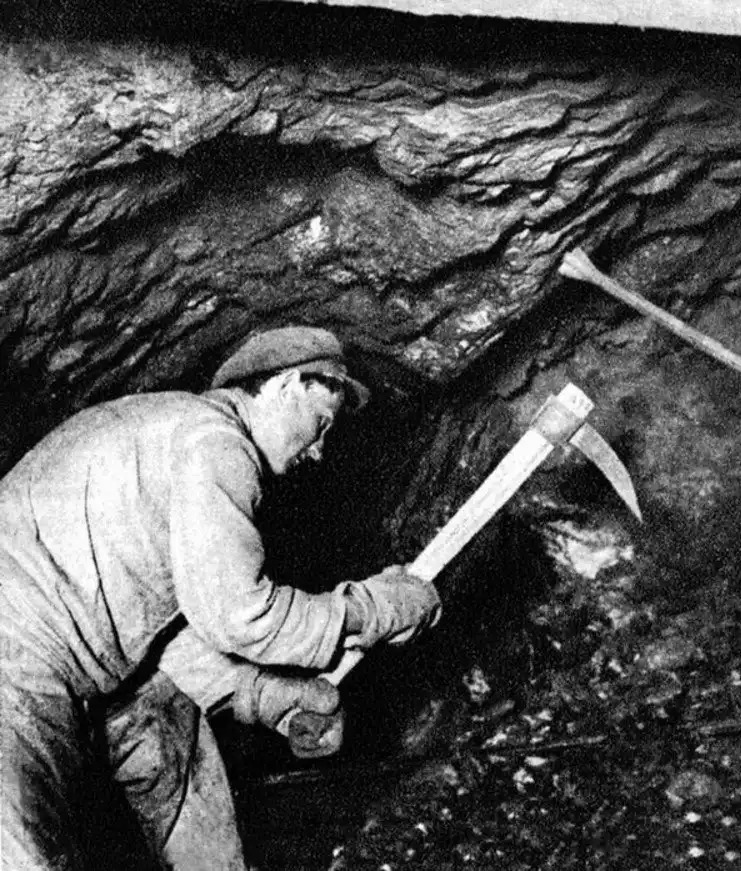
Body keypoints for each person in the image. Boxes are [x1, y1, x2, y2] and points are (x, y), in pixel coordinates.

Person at [0, 325, 444, 870]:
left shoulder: (174, 432)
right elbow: (239, 616)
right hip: (15, 657)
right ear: (285, 385)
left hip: (61, 653)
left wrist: (269, 696)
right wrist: (375, 608)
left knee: (171, 733)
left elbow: (161, 631)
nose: (320, 450)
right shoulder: (215, 442)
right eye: (321, 423)